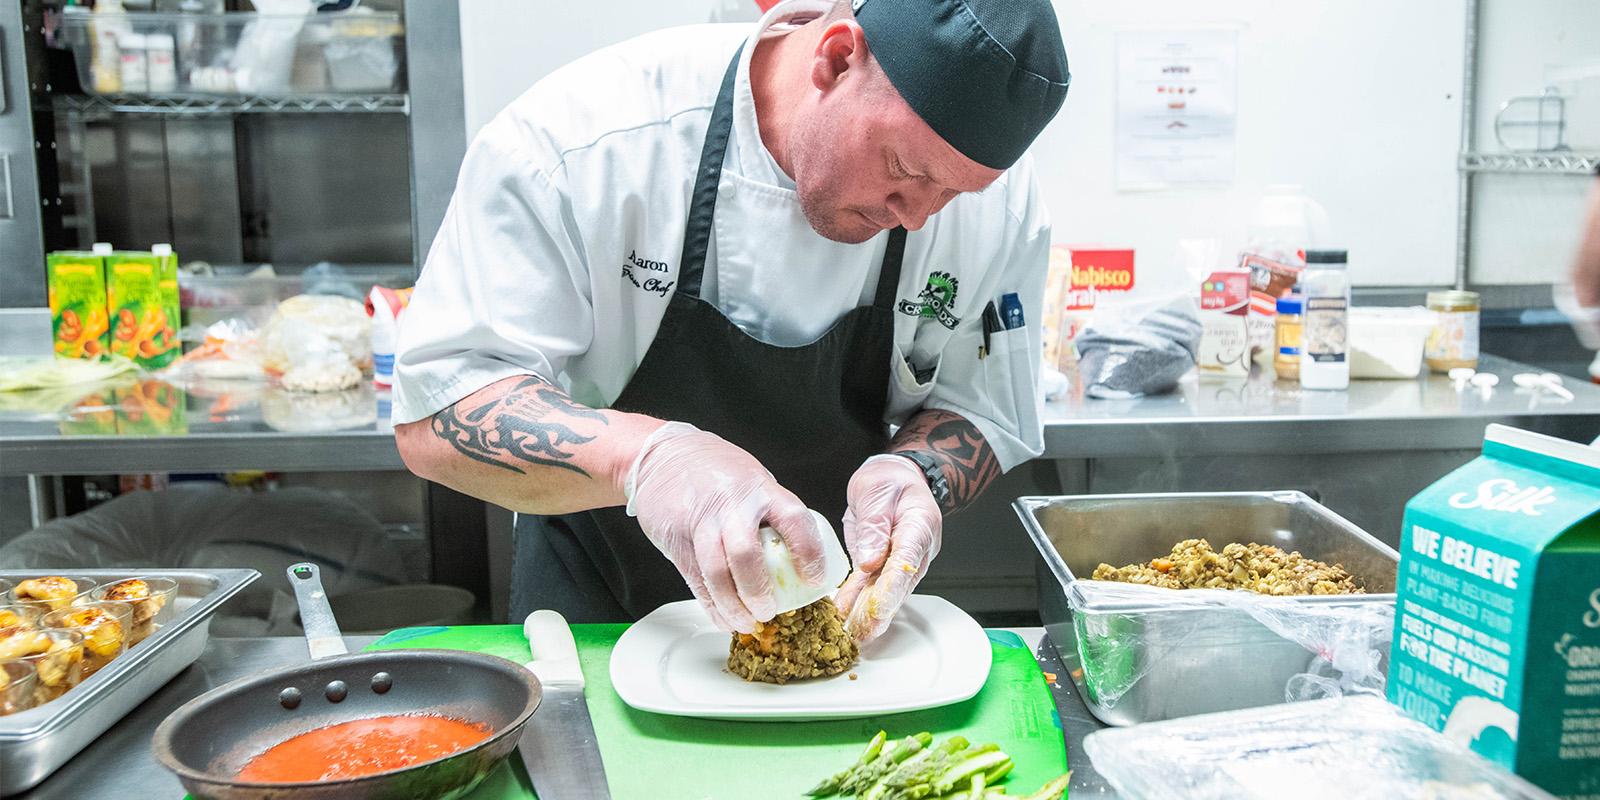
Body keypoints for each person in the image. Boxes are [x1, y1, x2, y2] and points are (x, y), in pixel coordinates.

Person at [392, 0, 1070, 643]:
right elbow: (441, 410)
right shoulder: (584, 143)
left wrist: (917, 471)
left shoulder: (995, 202)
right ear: (835, 59)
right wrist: (650, 460)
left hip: (829, 616)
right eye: (904, 170)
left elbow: (983, 405)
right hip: (597, 618)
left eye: (953, 194)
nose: (919, 216)